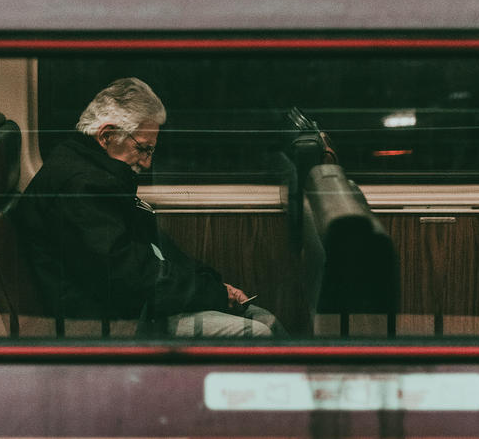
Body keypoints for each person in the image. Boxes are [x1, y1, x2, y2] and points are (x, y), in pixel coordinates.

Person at [15, 77, 284, 337]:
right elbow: (131, 278)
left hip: (134, 305)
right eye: (143, 149)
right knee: (256, 333)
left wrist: (211, 284)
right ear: (107, 136)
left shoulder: (96, 173)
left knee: (265, 319)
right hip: (110, 322)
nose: (146, 163)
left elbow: (149, 250)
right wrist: (212, 294)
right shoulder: (81, 188)